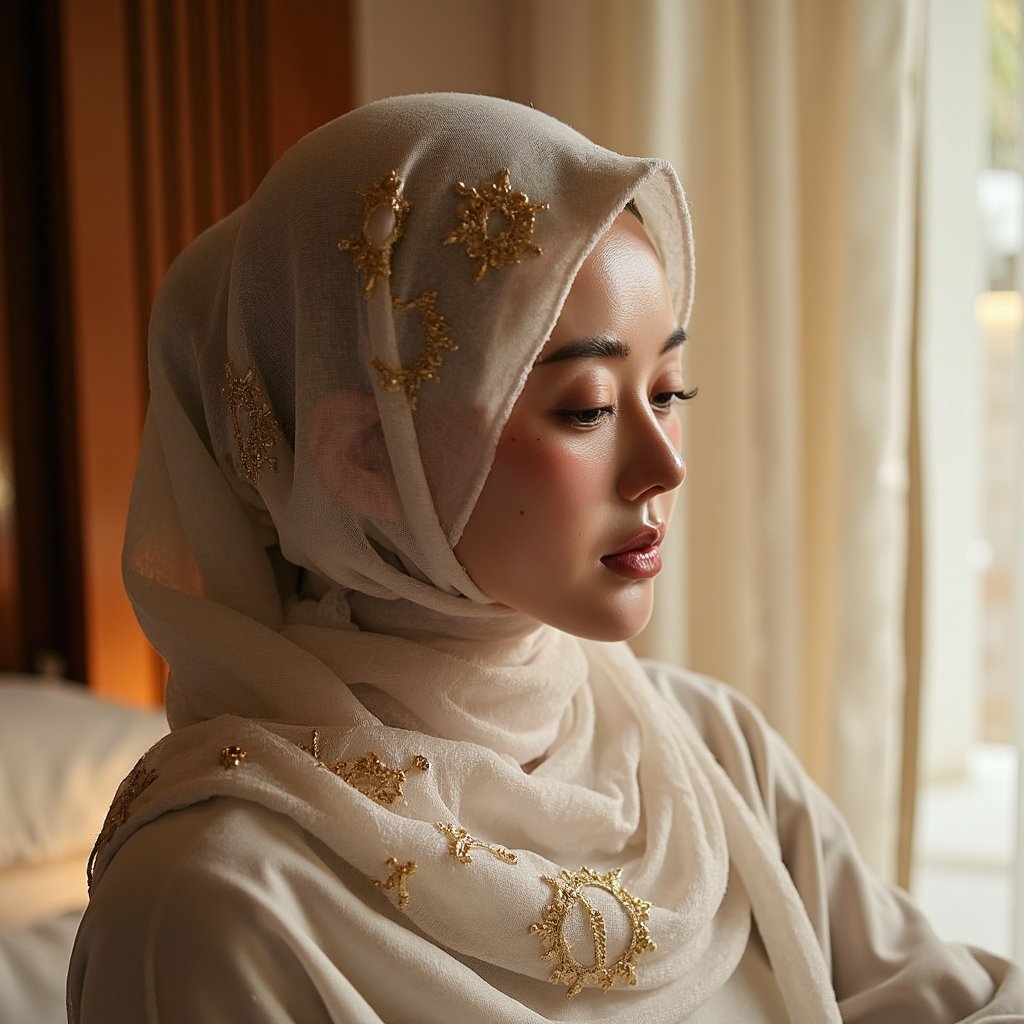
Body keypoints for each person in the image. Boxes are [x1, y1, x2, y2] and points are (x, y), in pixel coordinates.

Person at [68, 93, 1024, 1022]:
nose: (664, 465)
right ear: (366, 459)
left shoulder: (705, 750)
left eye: (670, 392)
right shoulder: (214, 902)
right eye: (588, 409)